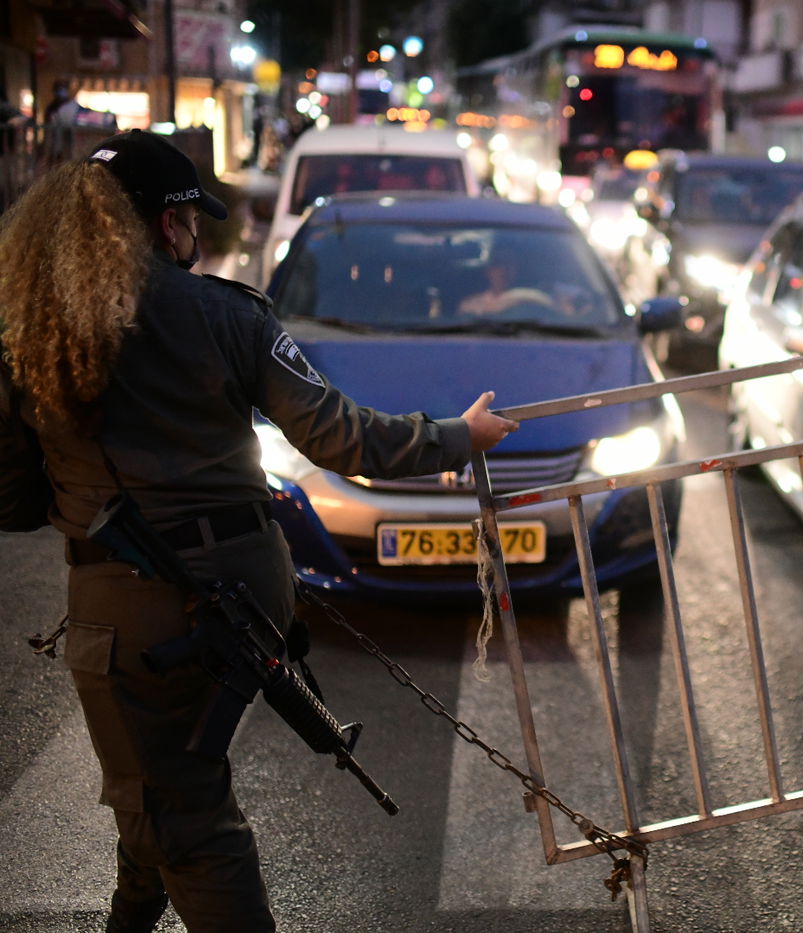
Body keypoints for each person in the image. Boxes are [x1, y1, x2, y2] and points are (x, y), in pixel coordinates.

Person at [0, 129, 518, 932]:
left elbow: (10, 497)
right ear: (168, 223)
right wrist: (457, 436)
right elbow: (343, 436)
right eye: (190, 219)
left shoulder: (32, 331)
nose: (195, 236)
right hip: (248, 588)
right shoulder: (228, 313)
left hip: (131, 607)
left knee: (182, 811)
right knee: (162, 776)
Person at [456, 250, 554, 316]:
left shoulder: (535, 300)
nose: (504, 269)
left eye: (509, 263)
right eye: (498, 263)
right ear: (487, 271)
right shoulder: (470, 306)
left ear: (517, 269)